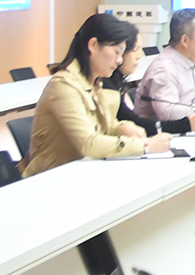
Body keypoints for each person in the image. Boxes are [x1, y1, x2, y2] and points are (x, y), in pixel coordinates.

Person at [24, 13, 173, 176]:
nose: (119, 61)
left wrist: (124, 127)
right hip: (49, 178)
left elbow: (107, 125)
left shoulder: (95, 83)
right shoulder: (63, 86)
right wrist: (146, 146)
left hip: (80, 171)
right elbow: (88, 143)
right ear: (93, 45)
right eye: (116, 52)